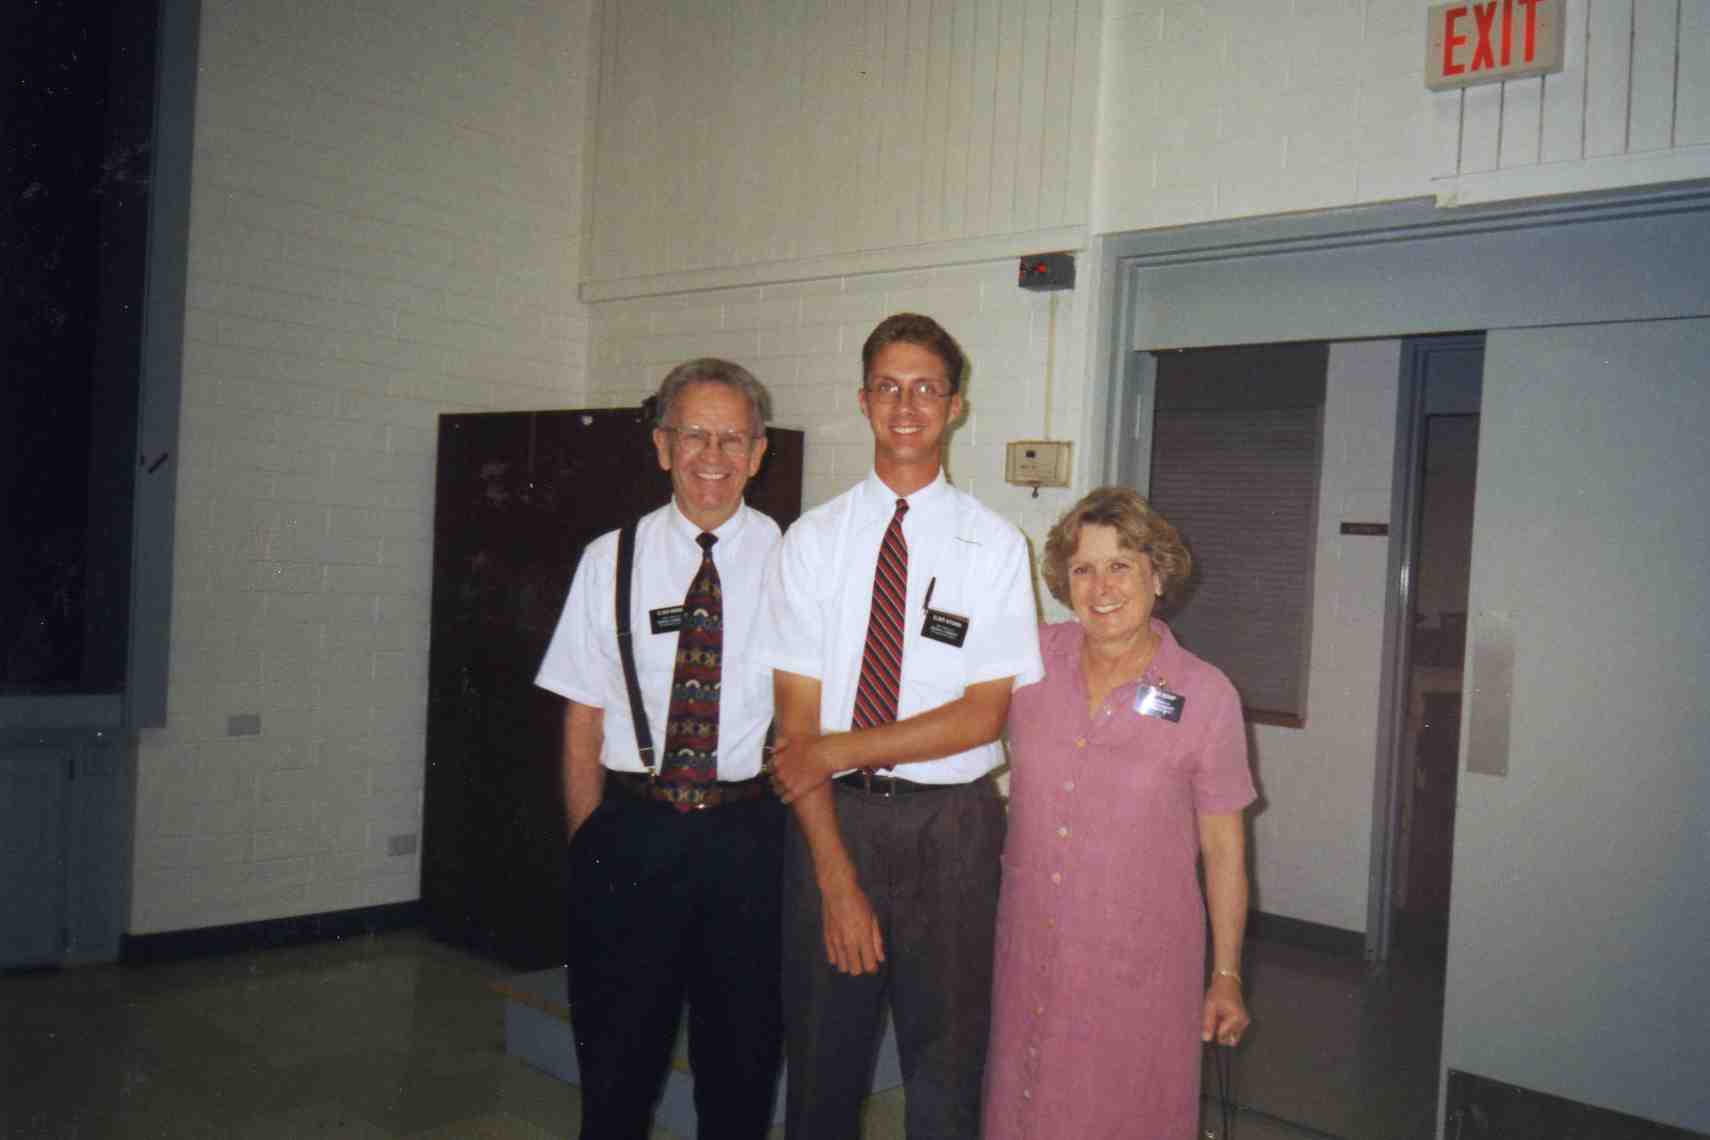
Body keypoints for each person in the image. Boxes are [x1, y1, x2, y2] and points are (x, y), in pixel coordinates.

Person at [759, 313, 1044, 1140]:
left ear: (956, 406)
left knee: (947, 1071)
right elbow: (794, 731)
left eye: (926, 387)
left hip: (953, 830)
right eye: (889, 386)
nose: (907, 404)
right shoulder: (813, 543)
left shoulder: (993, 546)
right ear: (863, 399)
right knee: (822, 1070)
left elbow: (983, 716)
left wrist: (839, 749)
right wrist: (836, 879)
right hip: (833, 823)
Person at [535, 359, 786, 1140]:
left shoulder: (795, 559)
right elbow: (582, 709)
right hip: (631, 835)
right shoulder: (609, 559)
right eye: (694, 436)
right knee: (615, 1079)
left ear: (759, 452)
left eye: (733, 439)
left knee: (740, 1077)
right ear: (661, 445)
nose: (713, 456)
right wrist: (589, 839)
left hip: (747, 841)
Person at [982, 485, 1256, 1140]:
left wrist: (1225, 974)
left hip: (1140, 968)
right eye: (1083, 568)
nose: (1101, 586)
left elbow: (1224, 852)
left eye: (1121, 565)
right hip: (1029, 949)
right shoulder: (1031, 660)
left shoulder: (1206, 694)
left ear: (1157, 575)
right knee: (1023, 1105)